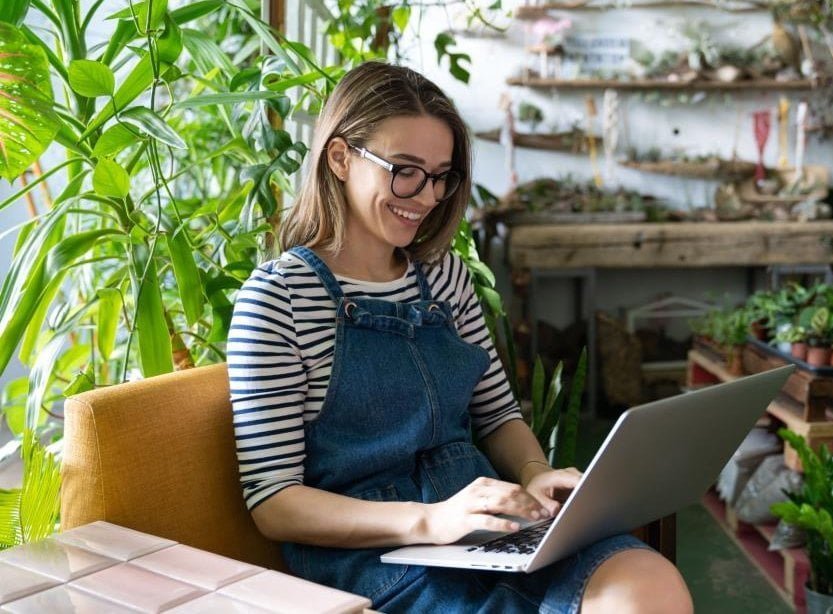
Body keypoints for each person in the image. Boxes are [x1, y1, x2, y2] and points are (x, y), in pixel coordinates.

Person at [227, 61, 693, 613]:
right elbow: (273, 501)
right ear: (340, 157)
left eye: (441, 175)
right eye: (405, 170)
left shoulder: (444, 276)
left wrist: (535, 473)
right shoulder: (278, 298)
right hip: (380, 560)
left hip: (488, 529)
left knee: (648, 584)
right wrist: (430, 520)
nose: (426, 197)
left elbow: (497, 414)